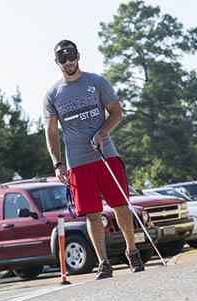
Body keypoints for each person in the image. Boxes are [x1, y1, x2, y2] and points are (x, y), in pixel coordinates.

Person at [43, 39, 146, 279]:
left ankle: (132, 252)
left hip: (106, 155)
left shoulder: (96, 82)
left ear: (79, 56)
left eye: (71, 56)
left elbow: (117, 112)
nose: (68, 61)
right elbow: (50, 132)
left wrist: (102, 132)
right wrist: (57, 163)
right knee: (92, 213)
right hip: (78, 162)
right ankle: (103, 263)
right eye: (62, 58)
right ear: (56, 62)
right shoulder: (52, 94)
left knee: (120, 206)